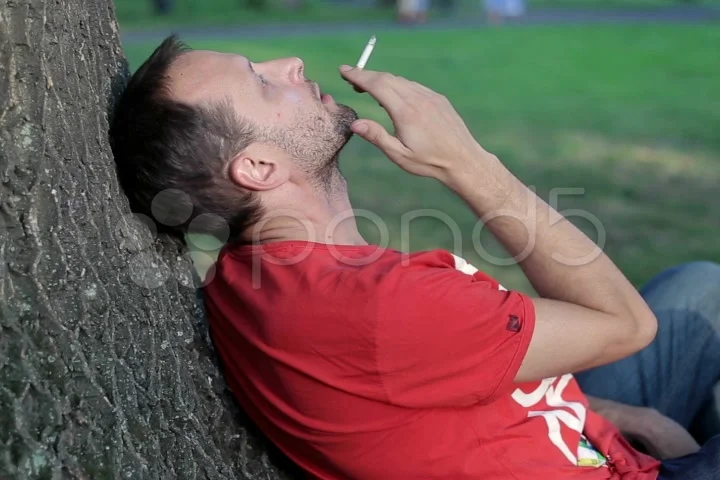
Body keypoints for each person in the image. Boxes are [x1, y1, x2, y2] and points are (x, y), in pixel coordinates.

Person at [110, 36, 720, 480]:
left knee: (698, 287)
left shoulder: (256, 275)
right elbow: (628, 327)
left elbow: (436, 379)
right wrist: (467, 161)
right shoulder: (374, 307)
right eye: (263, 81)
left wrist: (621, 411)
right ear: (260, 168)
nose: (291, 62)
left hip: (590, 435)